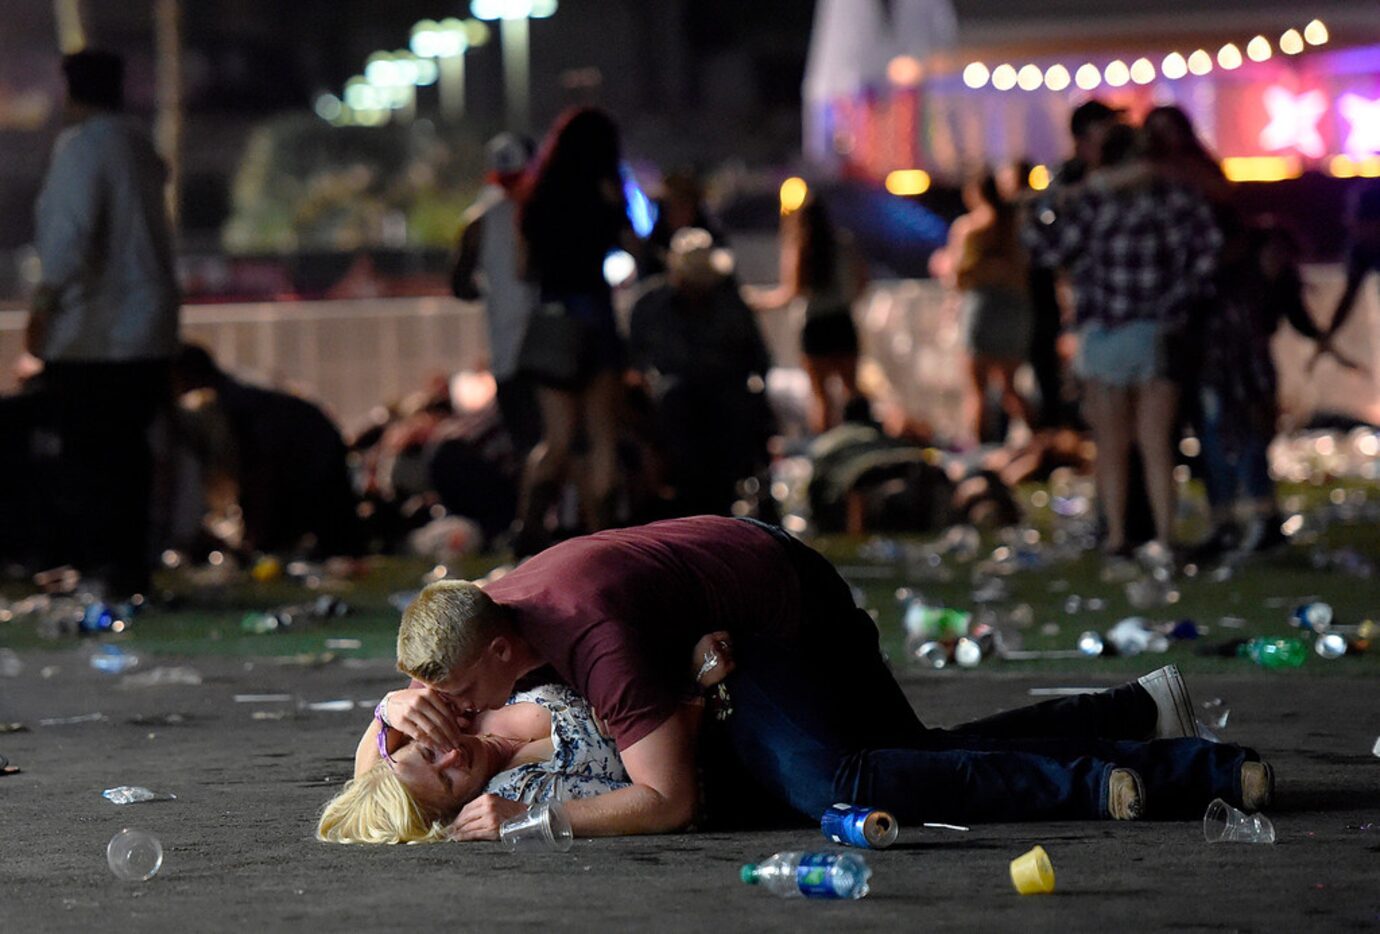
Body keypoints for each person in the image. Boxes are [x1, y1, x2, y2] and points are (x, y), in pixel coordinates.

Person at [389, 516, 1272, 839]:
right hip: (738, 601)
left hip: (781, 613)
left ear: (503, 652)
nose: (452, 718)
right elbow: (379, 779)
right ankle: (1139, 712)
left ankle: (1132, 777)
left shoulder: (588, 640)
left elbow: (670, 799)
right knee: (904, 755)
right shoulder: (483, 620)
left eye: (458, 695)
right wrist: (397, 706)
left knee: (840, 782)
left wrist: (536, 821)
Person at [318, 632, 728, 843]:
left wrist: (386, 712)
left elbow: (368, 774)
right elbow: (668, 796)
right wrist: (693, 684)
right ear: (457, 810)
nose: (452, 757)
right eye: (447, 781)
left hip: (665, 646)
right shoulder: (522, 793)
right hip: (718, 716)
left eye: (430, 752)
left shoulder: (463, 705)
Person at [24, 49, 180, 596]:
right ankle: (130, 570)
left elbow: (69, 243)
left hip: (95, 335)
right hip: (149, 331)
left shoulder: (82, 149)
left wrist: (43, 309)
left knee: (89, 460)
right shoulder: (139, 147)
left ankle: (100, 571)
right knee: (130, 457)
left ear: (72, 93)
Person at [1028, 124, 1222, 560]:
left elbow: (1045, 248)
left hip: (1103, 333)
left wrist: (1059, 194)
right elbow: (1208, 249)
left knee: (1111, 446)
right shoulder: (1172, 198)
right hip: (1154, 331)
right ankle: (1165, 538)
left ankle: (1117, 537)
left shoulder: (1096, 201)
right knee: (1157, 444)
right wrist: (1176, 304)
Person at [512, 108, 636, 554]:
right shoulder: (604, 192)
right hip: (596, 315)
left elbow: (522, 267)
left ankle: (528, 528)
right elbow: (635, 249)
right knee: (603, 435)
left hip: (553, 319)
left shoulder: (539, 196)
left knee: (557, 438)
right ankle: (605, 537)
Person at [1190, 223, 1330, 559]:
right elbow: (1234, 346)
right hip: (1222, 377)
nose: (1278, 261)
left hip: (1248, 375)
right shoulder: (1238, 287)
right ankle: (1232, 523)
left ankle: (1257, 521)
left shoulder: (1274, 286)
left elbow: (1296, 322)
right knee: (1224, 447)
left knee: (1248, 446)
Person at [626, 228, 773, 516]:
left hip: (724, 394)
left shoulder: (729, 304)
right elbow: (634, 362)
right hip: (672, 400)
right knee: (675, 403)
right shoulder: (650, 306)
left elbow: (758, 356)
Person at [171, 343, 362, 557]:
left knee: (331, 535)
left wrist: (253, 538)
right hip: (313, 447)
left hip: (310, 455)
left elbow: (259, 473)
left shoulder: (227, 403)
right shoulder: (233, 395)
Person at [451, 133, 541, 457]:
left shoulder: (478, 221)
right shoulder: (550, 212)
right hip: (551, 356)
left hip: (508, 357)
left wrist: (495, 294)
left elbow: (461, 286)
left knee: (527, 449)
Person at [750, 195, 868, 434]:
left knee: (821, 398)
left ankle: (828, 449)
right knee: (852, 391)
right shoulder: (843, 243)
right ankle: (860, 438)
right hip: (842, 320)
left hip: (815, 325)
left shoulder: (801, 247)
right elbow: (862, 281)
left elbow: (790, 293)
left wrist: (758, 301)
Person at [936, 170, 1035, 445]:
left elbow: (956, 277)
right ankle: (1041, 439)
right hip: (1016, 308)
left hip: (983, 309)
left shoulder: (971, 228)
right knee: (1010, 388)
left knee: (977, 390)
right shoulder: (1015, 226)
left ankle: (980, 452)